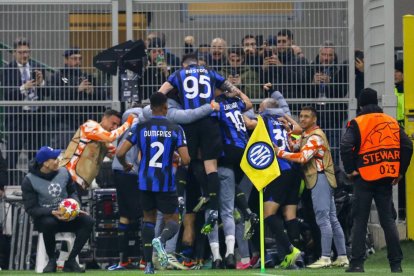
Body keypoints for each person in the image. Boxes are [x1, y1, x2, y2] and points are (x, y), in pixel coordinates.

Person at [158, 53, 243, 234]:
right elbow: (233, 91)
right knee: (211, 166)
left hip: (190, 123)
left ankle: (180, 197)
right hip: (210, 121)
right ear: (198, 63)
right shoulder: (210, 72)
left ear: (185, 64)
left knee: (186, 159)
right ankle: (213, 208)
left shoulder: (178, 74)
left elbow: (160, 93)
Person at [116, 92, 191, 274]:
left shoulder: (140, 127)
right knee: (173, 219)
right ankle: (162, 240)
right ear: (166, 107)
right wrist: (176, 158)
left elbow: (119, 153)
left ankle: (148, 264)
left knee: (148, 220)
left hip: (145, 182)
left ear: (150, 107)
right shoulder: (175, 128)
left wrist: (127, 164)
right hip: (165, 182)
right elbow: (186, 159)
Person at [340, 88, 413, 273]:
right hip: (386, 177)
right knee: (388, 221)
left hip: (363, 177)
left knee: (360, 221)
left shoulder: (357, 122)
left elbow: (346, 145)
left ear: (361, 104)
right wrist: (400, 171)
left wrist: (350, 170)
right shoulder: (392, 122)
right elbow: (407, 145)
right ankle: (396, 265)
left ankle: (357, 264)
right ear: (377, 102)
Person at [274, 106, 348, 269]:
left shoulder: (315, 136)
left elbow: (302, 157)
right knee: (332, 219)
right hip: (322, 178)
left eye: (306, 116)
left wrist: (279, 153)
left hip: (320, 178)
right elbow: (295, 147)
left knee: (323, 218)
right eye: (300, 116)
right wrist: (288, 132)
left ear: (314, 119)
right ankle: (342, 256)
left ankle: (326, 257)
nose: (302, 119)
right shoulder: (308, 134)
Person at [21, 146, 94, 273]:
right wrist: (52, 212)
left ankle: (71, 261)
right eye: (54, 158)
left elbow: (73, 193)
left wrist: (75, 206)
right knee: (49, 222)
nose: (58, 160)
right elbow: (31, 208)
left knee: (88, 221)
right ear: (45, 163)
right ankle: (52, 260)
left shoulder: (64, 172)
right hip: (46, 220)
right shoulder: (29, 180)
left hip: (67, 218)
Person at [257, 98, 303, 269]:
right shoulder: (284, 120)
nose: (258, 110)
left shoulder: (263, 119)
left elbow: (249, 124)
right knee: (290, 214)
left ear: (266, 109)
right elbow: (299, 130)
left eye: (260, 107)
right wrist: (286, 116)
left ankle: (290, 250)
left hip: (280, 169)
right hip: (294, 170)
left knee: (268, 213)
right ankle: (297, 259)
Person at [1, 37, 47, 184]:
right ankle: (9, 184)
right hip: (16, 118)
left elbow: (47, 93)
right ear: (14, 53)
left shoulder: (37, 67)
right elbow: (7, 94)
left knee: (35, 153)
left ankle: (35, 183)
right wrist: (23, 88)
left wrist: (41, 83)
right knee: (13, 152)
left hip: (35, 117)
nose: (25, 55)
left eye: (27, 52)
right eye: (21, 52)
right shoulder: (7, 70)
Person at [59, 109, 136, 191]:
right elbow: (110, 137)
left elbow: (117, 155)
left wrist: (126, 165)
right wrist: (128, 122)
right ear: (104, 118)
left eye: (117, 125)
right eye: (113, 123)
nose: (115, 127)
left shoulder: (104, 142)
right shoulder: (90, 126)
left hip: (79, 182)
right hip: (68, 176)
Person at [49, 47, 108, 149]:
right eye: (74, 59)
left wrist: (92, 91)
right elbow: (55, 94)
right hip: (66, 120)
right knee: (66, 151)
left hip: (86, 120)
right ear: (66, 60)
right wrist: (77, 89)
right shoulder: (59, 76)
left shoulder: (86, 76)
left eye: (79, 59)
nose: (78, 62)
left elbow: (102, 95)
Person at [108, 107, 144, 271]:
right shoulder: (138, 127)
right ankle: (145, 259)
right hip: (130, 173)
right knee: (144, 214)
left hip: (118, 172)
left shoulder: (123, 127)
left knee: (125, 216)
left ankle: (123, 260)